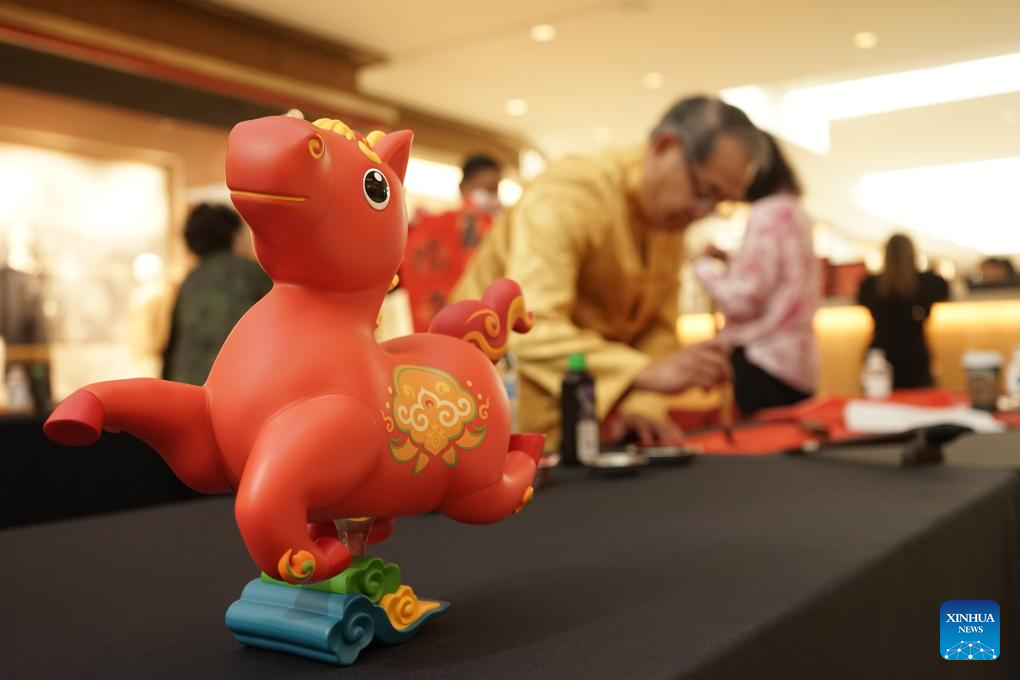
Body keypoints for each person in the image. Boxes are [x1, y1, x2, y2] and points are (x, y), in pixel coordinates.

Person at [453, 96, 768, 448]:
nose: (702, 213)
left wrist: (642, 406)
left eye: (719, 203)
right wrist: (644, 373)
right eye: (705, 191)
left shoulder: (668, 218)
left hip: (582, 421)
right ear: (665, 147)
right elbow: (527, 326)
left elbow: (658, 329)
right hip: (481, 411)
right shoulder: (571, 192)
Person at [694, 134, 819, 416]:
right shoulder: (797, 212)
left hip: (764, 359)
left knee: (764, 440)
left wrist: (703, 268)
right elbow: (781, 279)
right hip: (801, 363)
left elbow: (745, 298)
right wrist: (731, 261)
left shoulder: (766, 214)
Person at [162, 204, 272, 385]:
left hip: (191, 383)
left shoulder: (191, 280)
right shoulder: (252, 274)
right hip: (242, 379)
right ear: (231, 235)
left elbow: (173, 343)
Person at [400, 154, 503, 331]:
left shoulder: (498, 229)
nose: (489, 197)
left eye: (494, 190)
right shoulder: (429, 227)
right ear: (463, 187)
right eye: (483, 189)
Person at [857, 234, 949, 388]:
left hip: (880, 356)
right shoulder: (926, 283)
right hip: (915, 357)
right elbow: (945, 288)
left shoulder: (870, 285)